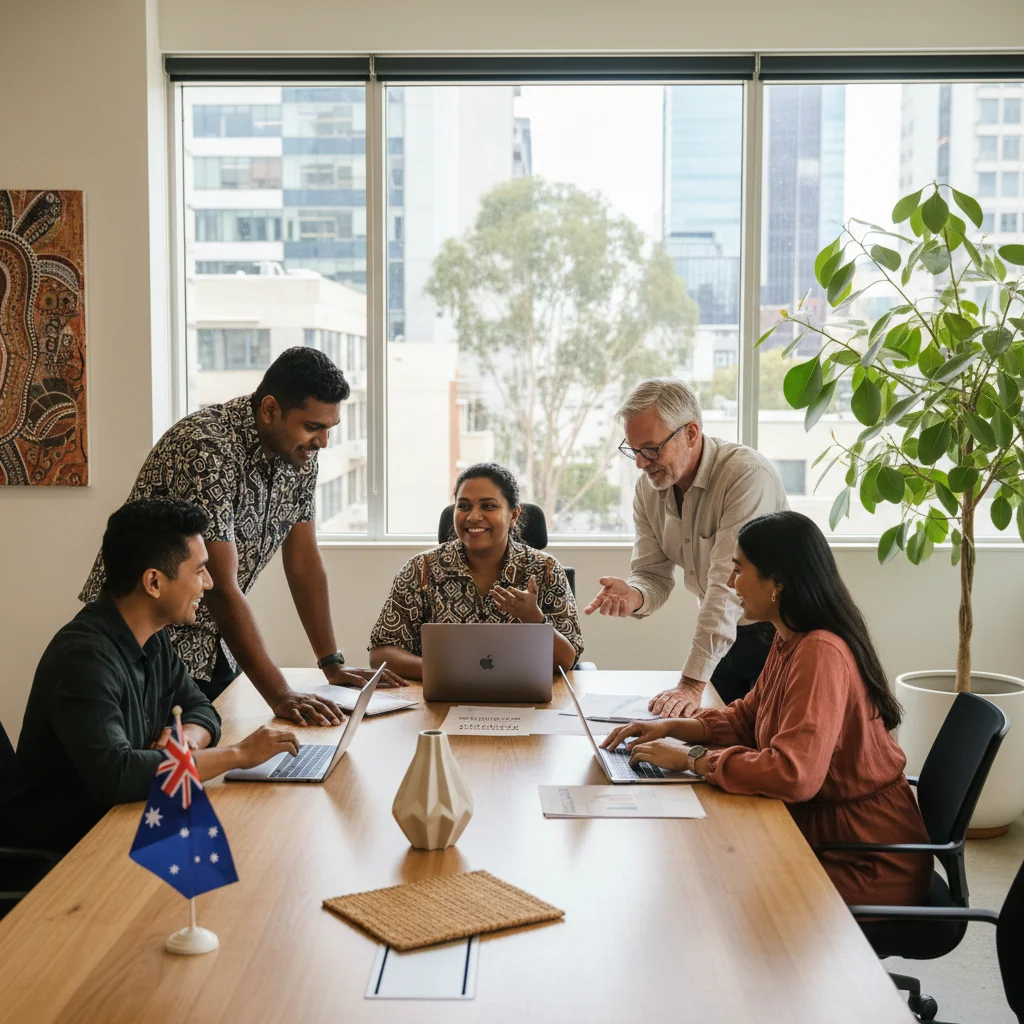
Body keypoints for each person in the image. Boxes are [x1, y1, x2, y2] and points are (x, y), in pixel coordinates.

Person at [601, 511, 932, 907]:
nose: (728, 582)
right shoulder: (789, 637)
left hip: (863, 857)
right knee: (700, 871)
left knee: (714, 891)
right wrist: (673, 726)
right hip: (821, 830)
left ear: (778, 581)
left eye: (738, 569)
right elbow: (746, 719)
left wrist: (693, 759)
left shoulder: (819, 652)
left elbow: (794, 775)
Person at [79, 347, 405, 726]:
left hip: (212, 644)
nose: (322, 442)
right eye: (313, 427)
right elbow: (219, 586)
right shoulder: (207, 447)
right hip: (144, 645)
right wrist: (281, 694)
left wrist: (331, 663)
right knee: (162, 775)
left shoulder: (299, 456)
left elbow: (303, 563)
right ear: (269, 410)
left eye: (329, 429)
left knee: (230, 766)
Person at [1, 499, 302, 853]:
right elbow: (117, 775)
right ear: (154, 582)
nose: (208, 583)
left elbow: (201, 708)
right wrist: (238, 755)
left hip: (123, 824)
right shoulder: (84, 658)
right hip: (61, 854)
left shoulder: (152, 635)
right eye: (199, 570)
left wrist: (188, 739)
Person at [585, 378, 788, 716]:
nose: (640, 462)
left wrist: (691, 684)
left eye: (651, 448)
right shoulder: (648, 489)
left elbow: (727, 589)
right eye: (633, 450)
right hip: (727, 638)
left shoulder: (745, 477)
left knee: (769, 749)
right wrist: (634, 594)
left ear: (691, 433)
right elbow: (652, 574)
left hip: (780, 635)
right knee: (716, 743)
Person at [369, 462, 583, 678]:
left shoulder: (545, 569)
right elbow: (381, 654)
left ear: (514, 515)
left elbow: (567, 661)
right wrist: (446, 672)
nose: (473, 517)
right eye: (463, 506)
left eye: (488, 506)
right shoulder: (421, 569)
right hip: (441, 700)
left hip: (525, 702)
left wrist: (533, 618)